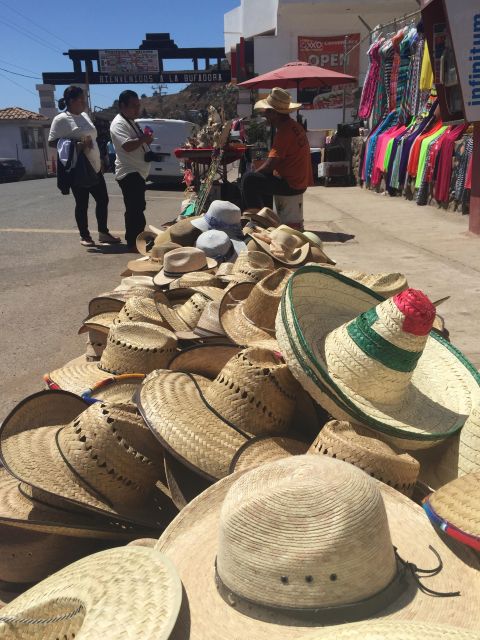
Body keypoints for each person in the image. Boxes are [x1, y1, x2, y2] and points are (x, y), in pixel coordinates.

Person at [48, 86, 120, 247]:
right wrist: (77, 144)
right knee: (82, 202)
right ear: (72, 101)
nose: (85, 101)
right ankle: (85, 235)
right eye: (82, 99)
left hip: (94, 165)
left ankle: (103, 232)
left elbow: (93, 138)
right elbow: (52, 142)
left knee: (103, 199)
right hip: (78, 167)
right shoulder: (61, 119)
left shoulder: (85, 116)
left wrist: (100, 158)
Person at [241, 87, 313, 226]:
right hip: (298, 181)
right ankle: (265, 216)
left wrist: (253, 174)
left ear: (274, 113)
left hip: (292, 184)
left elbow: (269, 166)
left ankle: (256, 222)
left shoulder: (284, 132)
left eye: (267, 112)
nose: (265, 115)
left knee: (248, 179)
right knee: (260, 179)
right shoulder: (294, 126)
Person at [110, 90, 153, 251]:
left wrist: (146, 139)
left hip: (137, 171)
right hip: (129, 172)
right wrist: (144, 139)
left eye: (138, 105)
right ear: (122, 106)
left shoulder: (130, 121)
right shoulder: (118, 124)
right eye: (133, 106)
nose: (137, 109)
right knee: (134, 209)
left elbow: (137, 142)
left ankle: (137, 238)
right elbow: (127, 146)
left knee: (138, 207)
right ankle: (133, 242)